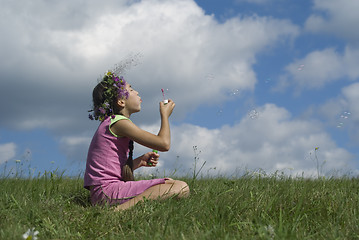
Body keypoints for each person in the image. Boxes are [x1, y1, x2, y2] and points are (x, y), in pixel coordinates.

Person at [84, 70, 190, 211]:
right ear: (121, 102)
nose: (137, 92)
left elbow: (110, 171)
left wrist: (138, 162)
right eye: (131, 89)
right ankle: (117, 212)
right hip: (106, 192)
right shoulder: (118, 122)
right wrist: (165, 116)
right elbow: (164, 144)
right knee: (181, 187)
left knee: (169, 184)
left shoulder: (111, 122)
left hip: (102, 193)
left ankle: (120, 208)